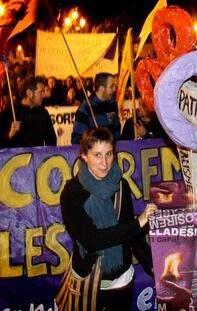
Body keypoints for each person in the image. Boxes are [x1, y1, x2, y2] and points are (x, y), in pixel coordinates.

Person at [60, 127, 157, 310]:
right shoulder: (72, 193)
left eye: (108, 154)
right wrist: (137, 223)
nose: (104, 163)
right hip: (90, 282)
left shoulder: (121, 185)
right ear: (84, 156)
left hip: (122, 279)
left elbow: (132, 236)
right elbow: (91, 240)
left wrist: (152, 264)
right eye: (97, 155)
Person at [0, 76, 57, 148]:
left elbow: (51, 141)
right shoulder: (10, 112)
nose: (44, 95)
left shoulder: (43, 113)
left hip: (37, 158)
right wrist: (9, 135)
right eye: (41, 92)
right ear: (29, 93)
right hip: (15, 158)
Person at [71, 72, 121, 144]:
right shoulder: (85, 109)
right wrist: (95, 140)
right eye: (111, 86)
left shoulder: (112, 104)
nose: (114, 89)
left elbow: (116, 130)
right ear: (102, 89)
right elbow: (77, 140)